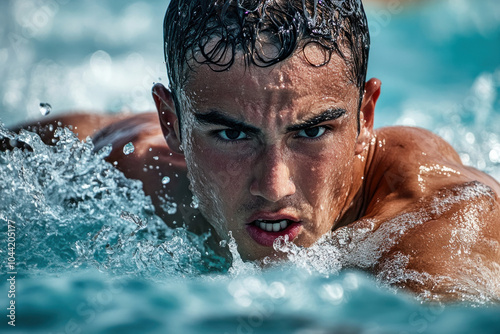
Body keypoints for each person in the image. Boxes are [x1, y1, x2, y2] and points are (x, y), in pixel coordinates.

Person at [5, 0, 500, 300]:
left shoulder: (439, 240)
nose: (273, 187)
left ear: (365, 116)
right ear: (172, 124)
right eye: (232, 135)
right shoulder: (122, 169)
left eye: (311, 133)